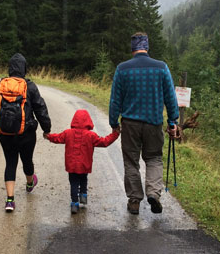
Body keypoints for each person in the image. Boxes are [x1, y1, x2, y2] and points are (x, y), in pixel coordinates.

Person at [109, 32, 179, 215]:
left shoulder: (122, 69)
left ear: (132, 48)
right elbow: (170, 98)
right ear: (147, 47)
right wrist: (173, 121)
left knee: (131, 161)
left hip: (130, 124)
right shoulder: (161, 67)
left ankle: (134, 201)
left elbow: (115, 100)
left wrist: (113, 122)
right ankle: (153, 193)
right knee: (154, 158)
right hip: (153, 123)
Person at [0, 53, 51, 212]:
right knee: (27, 160)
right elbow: (40, 109)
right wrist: (46, 129)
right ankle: (30, 183)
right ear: (24, 68)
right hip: (26, 133)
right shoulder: (29, 86)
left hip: (5, 134)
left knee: (10, 162)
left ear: (10, 68)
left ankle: (10, 200)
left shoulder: (0, 84)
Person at [44, 109, 120, 214]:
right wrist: (115, 134)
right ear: (88, 121)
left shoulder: (68, 133)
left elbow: (57, 138)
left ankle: (74, 203)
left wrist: (48, 136)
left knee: (74, 183)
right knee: (83, 179)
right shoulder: (91, 135)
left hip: (72, 165)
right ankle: (83, 195)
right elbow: (104, 142)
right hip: (85, 164)